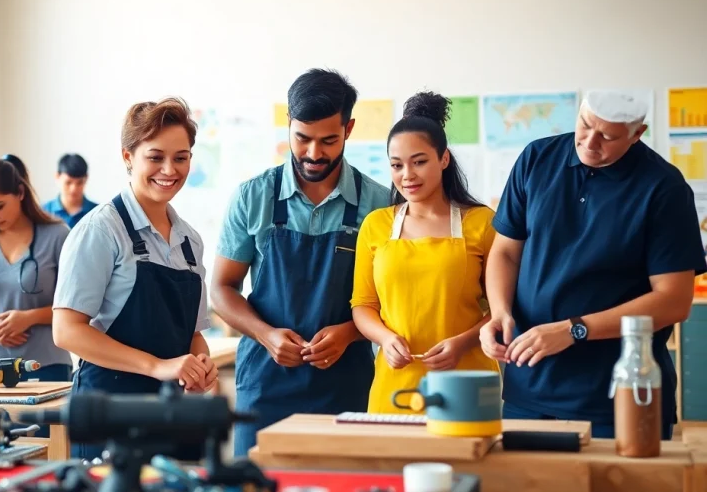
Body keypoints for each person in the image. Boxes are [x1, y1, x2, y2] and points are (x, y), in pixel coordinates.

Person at [479, 90, 704, 440]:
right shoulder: (537, 158)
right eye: (585, 125)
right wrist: (499, 312)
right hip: (528, 388)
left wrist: (574, 329)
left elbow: (673, 301)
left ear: (637, 134)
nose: (589, 142)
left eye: (608, 136)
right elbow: (506, 252)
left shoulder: (664, 188)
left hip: (618, 395)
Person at [211, 68, 389, 457]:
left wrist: (349, 334)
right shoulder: (252, 197)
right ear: (288, 123)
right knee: (256, 482)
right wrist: (265, 334)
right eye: (302, 138)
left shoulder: (382, 203)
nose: (313, 153)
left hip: (347, 388)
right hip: (265, 387)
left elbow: (393, 302)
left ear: (349, 129)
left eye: (328, 141)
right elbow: (222, 289)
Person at [52, 97, 218, 461]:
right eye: (155, 157)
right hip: (109, 413)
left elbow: (193, 335)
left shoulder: (190, 241)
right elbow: (66, 331)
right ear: (128, 156)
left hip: (172, 414)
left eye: (181, 158)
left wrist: (200, 365)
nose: (169, 170)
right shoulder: (100, 230)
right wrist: (157, 367)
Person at [350, 92, 501, 419]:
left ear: (444, 159)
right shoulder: (376, 225)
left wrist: (463, 343)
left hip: (467, 382)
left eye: (419, 162)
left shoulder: (482, 223)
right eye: (397, 165)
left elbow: (503, 309)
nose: (407, 175)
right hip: (395, 385)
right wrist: (385, 338)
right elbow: (362, 305)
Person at [0, 155, 73, 384]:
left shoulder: (57, 236)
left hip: (44, 366)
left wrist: (30, 317)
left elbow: (76, 307)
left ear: (20, 193)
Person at [43, 153, 97, 228]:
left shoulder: (97, 213)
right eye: (68, 182)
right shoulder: (43, 213)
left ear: (86, 179)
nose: (73, 189)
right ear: (57, 177)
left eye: (79, 183)